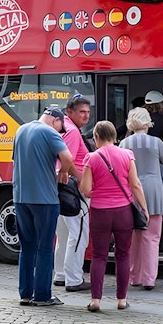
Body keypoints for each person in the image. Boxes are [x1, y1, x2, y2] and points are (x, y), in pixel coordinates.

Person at [12, 106, 78, 307]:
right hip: (45, 200)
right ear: (55, 120)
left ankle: (25, 293)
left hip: (20, 198)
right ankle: (42, 295)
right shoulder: (49, 131)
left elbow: (15, 161)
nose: (60, 132)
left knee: (27, 247)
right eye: (61, 128)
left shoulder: (20, 130)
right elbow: (67, 158)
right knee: (45, 247)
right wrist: (63, 172)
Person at [79, 121, 148, 312]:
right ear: (114, 137)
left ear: (97, 138)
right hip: (123, 212)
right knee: (123, 255)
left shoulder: (91, 158)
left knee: (99, 255)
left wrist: (98, 192)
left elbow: (85, 189)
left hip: (100, 212)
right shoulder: (127, 155)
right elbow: (135, 184)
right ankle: (121, 300)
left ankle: (96, 300)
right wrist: (144, 208)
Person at [119, 108, 163, 291]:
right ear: (147, 122)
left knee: (134, 237)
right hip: (154, 192)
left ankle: (134, 276)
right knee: (152, 238)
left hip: (133, 191)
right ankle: (149, 279)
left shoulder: (124, 144)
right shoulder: (157, 143)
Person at [54, 94, 93, 292]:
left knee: (63, 233)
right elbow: (66, 160)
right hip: (72, 189)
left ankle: (61, 274)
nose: (86, 116)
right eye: (82, 112)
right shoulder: (72, 132)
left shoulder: (65, 128)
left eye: (88, 111)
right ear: (70, 112)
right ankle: (74, 278)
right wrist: (80, 182)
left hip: (62, 187)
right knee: (78, 234)